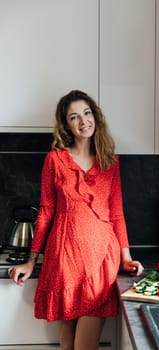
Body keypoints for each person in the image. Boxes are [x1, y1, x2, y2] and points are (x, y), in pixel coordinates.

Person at [8, 90, 144, 350]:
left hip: (99, 260)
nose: (83, 121)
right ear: (66, 125)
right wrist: (31, 260)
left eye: (87, 113)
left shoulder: (109, 161)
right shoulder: (55, 160)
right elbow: (47, 211)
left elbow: (116, 212)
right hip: (63, 260)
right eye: (74, 117)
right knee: (67, 344)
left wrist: (126, 258)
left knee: (84, 347)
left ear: (95, 116)